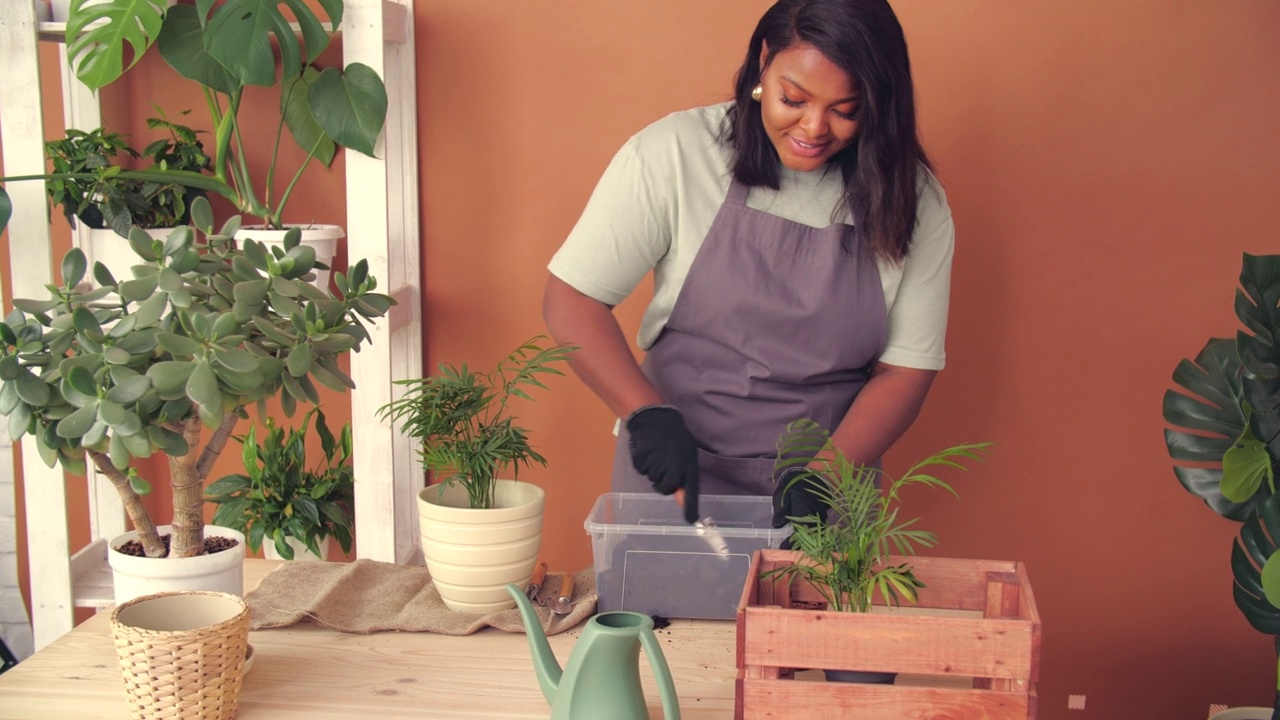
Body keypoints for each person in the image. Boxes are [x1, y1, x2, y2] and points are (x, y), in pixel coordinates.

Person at [542, 0, 954, 536]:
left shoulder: (915, 201)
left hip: (825, 484)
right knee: (662, 622)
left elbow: (906, 372)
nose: (813, 127)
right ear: (764, 61)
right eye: (794, 99)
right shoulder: (676, 154)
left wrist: (826, 476)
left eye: (846, 110)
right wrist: (645, 415)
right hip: (674, 474)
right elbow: (572, 300)